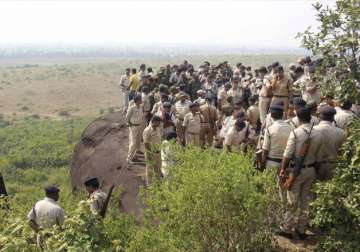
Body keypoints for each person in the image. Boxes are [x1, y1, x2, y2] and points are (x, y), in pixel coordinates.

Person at [278, 108, 324, 240]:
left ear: (298, 118)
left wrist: (282, 169)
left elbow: (287, 155)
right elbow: (319, 157)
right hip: (311, 170)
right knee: (306, 200)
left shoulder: (296, 133)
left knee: (292, 200)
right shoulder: (319, 134)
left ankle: (287, 229)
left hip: (296, 171)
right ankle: (302, 229)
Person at [261, 103, 292, 201]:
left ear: (271, 115)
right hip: (286, 163)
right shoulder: (291, 128)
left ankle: (272, 211)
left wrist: (262, 163)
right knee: (283, 189)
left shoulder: (270, 129)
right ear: (282, 115)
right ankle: (282, 209)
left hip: (271, 162)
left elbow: (265, 149)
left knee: (270, 189)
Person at [315, 106, 345, 181]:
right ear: (332, 118)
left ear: (320, 117)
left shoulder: (313, 130)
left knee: (315, 190)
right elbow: (343, 151)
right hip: (334, 166)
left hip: (316, 166)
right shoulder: (341, 132)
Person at [126, 95, 146, 164]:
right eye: (140, 99)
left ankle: (134, 156)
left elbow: (142, 115)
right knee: (133, 143)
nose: (141, 101)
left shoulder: (141, 107)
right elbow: (127, 117)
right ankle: (129, 158)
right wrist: (130, 124)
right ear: (137, 101)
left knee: (138, 142)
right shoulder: (132, 108)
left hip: (140, 126)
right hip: (133, 127)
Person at [143, 116, 163, 183]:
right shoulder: (147, 130)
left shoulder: (158, 129)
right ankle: (150, 184)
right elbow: (146, 144)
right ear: (154, 122)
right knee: (150, 170)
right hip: (151, 153)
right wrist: (148, 155)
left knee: (158, 168)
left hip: (158, 152)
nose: (159, 124)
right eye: (158, 122)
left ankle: (158, 182)